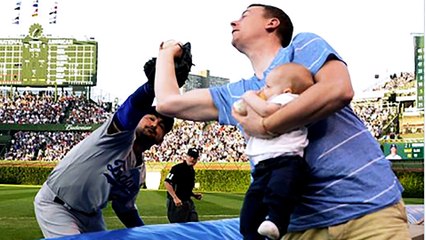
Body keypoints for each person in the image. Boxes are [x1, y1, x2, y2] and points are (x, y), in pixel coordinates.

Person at [154, 3, 410, 240]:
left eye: (245, 15)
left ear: (272, 23)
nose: (233, 22)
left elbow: (338, 89)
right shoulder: (235, 93)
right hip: (297, 228)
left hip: (367, 213)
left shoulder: (301, 47)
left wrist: (266, 125)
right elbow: (167, 102)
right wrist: (166, 52)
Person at [33, 82, 175, 238]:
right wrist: (150, 86)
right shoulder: (118, 138)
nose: (154, 124)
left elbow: (125, 209)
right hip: (57, 205)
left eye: (161, 125)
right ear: (138, 119)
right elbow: (130, 109)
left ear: (161, 140)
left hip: (92, 215)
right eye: (151, 118)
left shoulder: (139, 173)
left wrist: (149, 234)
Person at [233, 63, 313, 239]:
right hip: (264, 166)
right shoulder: (272, 100)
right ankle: (250, 230)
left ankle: (276, 222)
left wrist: (249, 96)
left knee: (279, 193)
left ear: (286, 91)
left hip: (287, 160)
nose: (263, 89)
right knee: (253, 202)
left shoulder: (289, 100)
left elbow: (268, 110)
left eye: (268, 86)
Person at [164, 147, 203, 223]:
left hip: (187, 201)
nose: (192, 159)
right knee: (179, 226)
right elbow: (167, 182)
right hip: (177, 203)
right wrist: (175, 198)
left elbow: (184, 187)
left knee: (194, 224)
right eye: (191, 156)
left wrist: (193, 195)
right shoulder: (177, 168)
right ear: (186, 156)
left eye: (195, 158)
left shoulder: (191, 170)